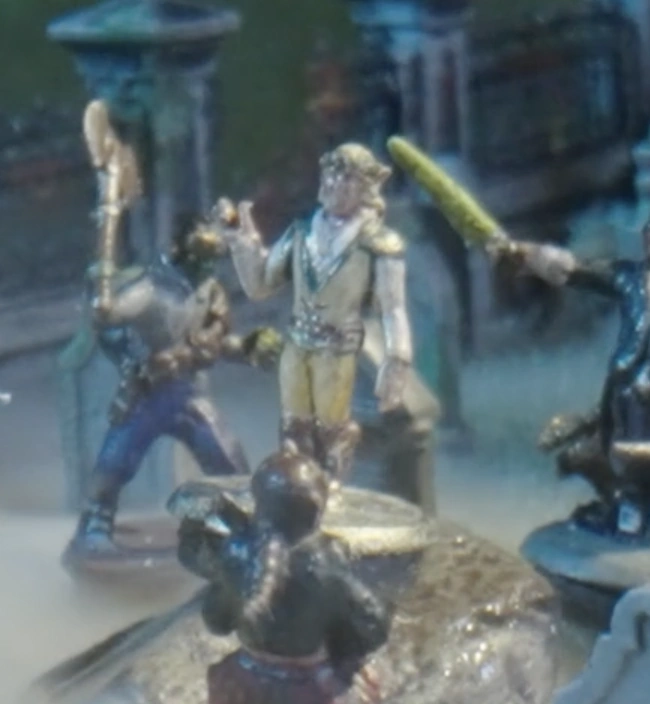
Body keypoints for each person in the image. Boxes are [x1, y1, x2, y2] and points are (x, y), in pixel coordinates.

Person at [218, 143, 413, 484]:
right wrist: (241, 243)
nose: (336, 185)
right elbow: (260, 285)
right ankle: (298, 491)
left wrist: (397, 357)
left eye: (348, 179)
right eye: (332, 176)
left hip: (337, 350)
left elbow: (393, 307)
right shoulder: (301, 233)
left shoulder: (378, 244)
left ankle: (331, 487)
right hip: (297, 346)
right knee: (293, 431)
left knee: (331, 432)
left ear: (366, 188)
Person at [169, 441, 390, 704]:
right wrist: (343, 650)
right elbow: (374, 624)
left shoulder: (238, 553)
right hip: (314, 689)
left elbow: (216, 621)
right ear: (318, 510)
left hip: (246, 682)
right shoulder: (328, 560)